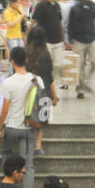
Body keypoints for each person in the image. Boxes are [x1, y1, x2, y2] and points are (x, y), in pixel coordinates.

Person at [0, 47, 39, 188]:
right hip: (29, 128)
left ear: (12, 61)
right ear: (26, 60)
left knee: (7, 156)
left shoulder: (8, 82)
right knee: (28, 165)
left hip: (12, 128)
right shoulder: (36, 79)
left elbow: (5, 109)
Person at [24, 26, 57, 156]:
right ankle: (38, 147)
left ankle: (27, 144)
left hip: (28, 90)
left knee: (27, 118)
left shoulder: (26, 52)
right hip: (44, 92)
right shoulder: (46, 54)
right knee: (40, 122)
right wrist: (54, 95)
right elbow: (49, 77)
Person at [31, 0, 68, 92]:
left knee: (59, 64)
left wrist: (63, 39)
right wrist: (28, 37)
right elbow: (33, 21)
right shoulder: (40, 5)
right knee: (45, 65)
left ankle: (50, 82)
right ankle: (45, 85)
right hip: (45, 41)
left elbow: (60, 23)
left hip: (58, 41)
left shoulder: (56, 5)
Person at [67, 0, 95, 99]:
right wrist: (70, 40)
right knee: (80, 65)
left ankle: (86, 80)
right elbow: (70, 25)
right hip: (78, 40)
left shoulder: (94, 7)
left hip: (92, 38)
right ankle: (81, 90)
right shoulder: (75, 8)